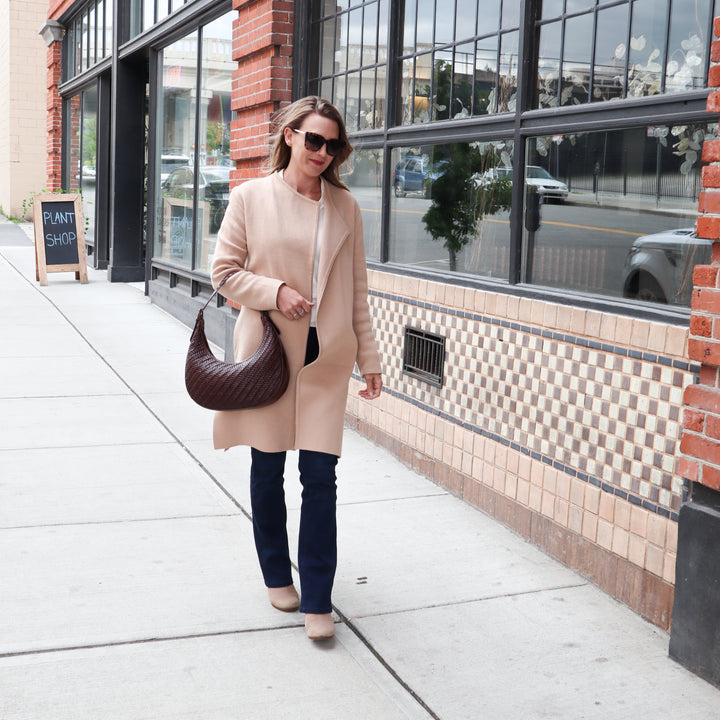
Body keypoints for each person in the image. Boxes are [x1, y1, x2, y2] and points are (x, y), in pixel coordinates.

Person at [210, 96, 383, 641]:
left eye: (333, 145)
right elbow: (223, 272)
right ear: (290, 136)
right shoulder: (250, 197)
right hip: (269, 355)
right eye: (314, 140)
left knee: (320, 478)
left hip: (326, 359)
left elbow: (357, 291)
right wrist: (274, 291)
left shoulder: (345, 207)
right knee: (267, 469)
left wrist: (370, 358)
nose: (323, 152)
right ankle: (273, 571)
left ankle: (317, 597)